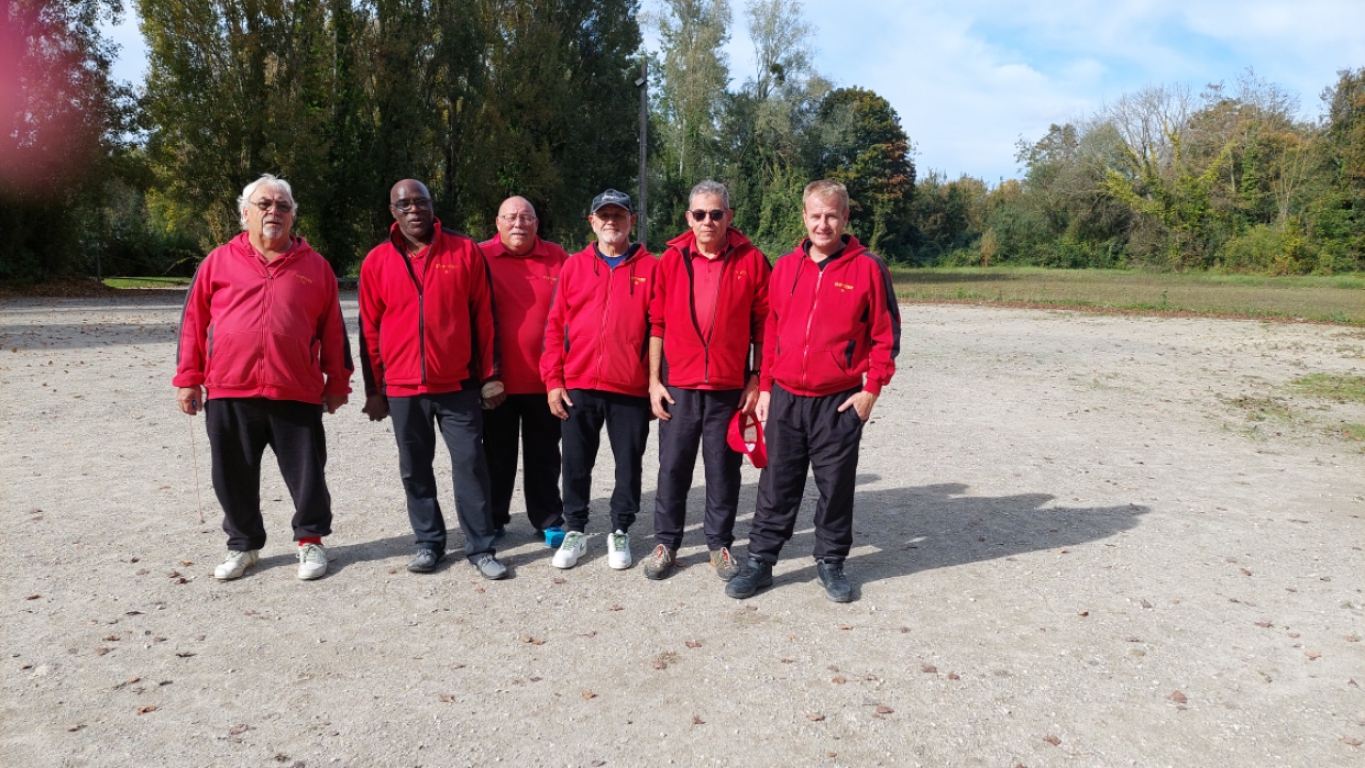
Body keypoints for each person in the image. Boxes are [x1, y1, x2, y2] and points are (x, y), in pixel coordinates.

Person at [725, 179, 901, 603]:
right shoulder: (785, 267)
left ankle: (831, 561)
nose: (824, 224)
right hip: (785, 396)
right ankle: (761, 562)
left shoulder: (868, 268)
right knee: (776, 484)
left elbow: (885, 335)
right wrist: (765, 387)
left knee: (835, 485)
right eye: (816, 215)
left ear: (845, 218)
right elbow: (772, 328)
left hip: (838, 400)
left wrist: (870, 391)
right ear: (804, 217)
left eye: (832, 215)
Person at [174, 173, 353, 582]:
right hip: (229, 388)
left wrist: (338, 382)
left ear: (293, 217)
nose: (274, 212)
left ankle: (310, 543)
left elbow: (333, 331)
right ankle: (244, 546)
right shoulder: (217, 262)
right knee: (232, 474)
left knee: (308, 473)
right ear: (245, 214)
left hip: (296, 388)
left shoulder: (317, 267)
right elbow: (193, 323)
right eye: (264, 205)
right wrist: (188, 377)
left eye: (283, 206)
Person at [358, 179, 508, 580]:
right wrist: (375, 390)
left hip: (457, 385)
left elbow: (485, 318)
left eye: (420, 202)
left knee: (471, 465)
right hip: (404, 388)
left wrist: (491, 377)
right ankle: (429, 543)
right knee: (415, 469)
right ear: (392, 211)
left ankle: (481, 547)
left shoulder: (464, 251)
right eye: (403, 204)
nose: (413, 210)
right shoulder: (376, 261)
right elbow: (369, 330)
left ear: (431, 205)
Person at [643, 180, 770, 581]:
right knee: (672, 469)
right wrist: (653, 381)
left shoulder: (752, 261)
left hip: (728, 389)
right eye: (700, 214)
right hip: (678, 387)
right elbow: (657, 324)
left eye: (716, 214)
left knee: (723, 470)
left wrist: (756, 378)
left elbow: (764, 325)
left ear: (729, 217)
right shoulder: (670, 260)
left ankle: (719, 545)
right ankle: (666, 542)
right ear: (689, 218)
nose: (708, 221)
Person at [540, 189, 657, 570]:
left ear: (631, 222)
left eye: (618, 215)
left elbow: (660, 328)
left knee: (629, 464)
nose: (611, 221)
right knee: (575, 463)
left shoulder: (651, 268)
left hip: (629, 387)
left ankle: (620, 529)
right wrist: (553, 380)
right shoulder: (574, 266)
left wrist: (655, 382)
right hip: (579, 384)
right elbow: (555, 325)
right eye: (603, 215)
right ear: (592, 222)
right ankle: (575, 529)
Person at [478, 196, 569, 546]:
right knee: (496, 455)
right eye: (511, 217)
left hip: (545, 381)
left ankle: (548, 518)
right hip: (496, 381)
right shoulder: (480, 257)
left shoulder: (558, 258)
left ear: (537, 223)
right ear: (497, 222)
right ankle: (494, 518)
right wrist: (484, 376)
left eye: (526, 217)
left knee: (544, 455)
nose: (519, 223)